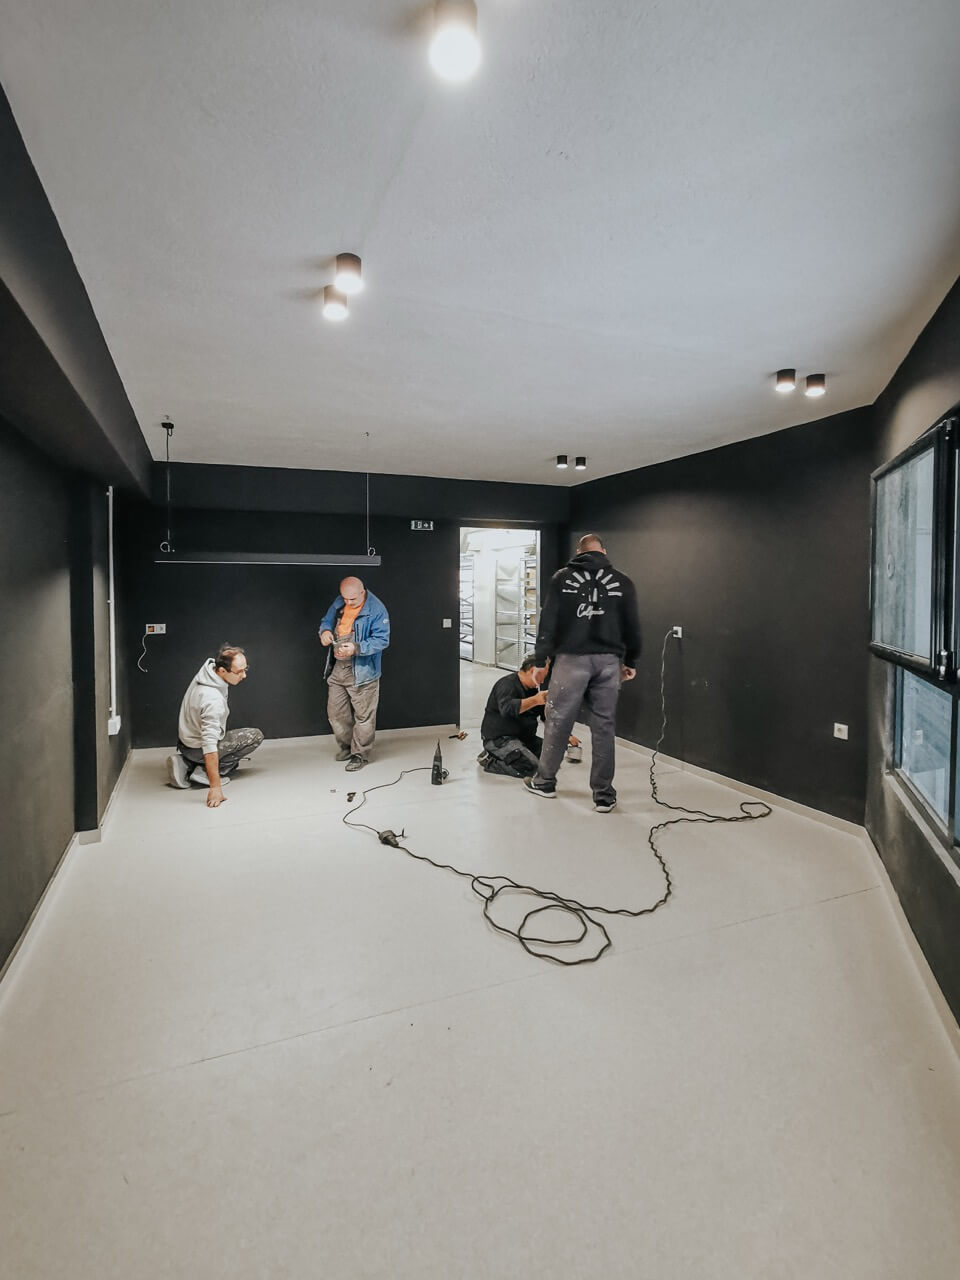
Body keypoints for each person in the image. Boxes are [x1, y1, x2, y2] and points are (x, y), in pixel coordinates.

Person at [523, 533, 640, 812]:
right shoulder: (623, 582)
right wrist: (630, 661)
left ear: (579, 552)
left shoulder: (561, 579)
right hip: (609, 662)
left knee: (558, 720)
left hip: (571, 659)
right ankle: (604, 796)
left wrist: (540, 660)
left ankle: (545, 782)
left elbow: (548, 621)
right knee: (604, 726)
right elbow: (632, 625)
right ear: (603, 552)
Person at [166, 645, 264, 808]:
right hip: (198, 748)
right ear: (223, 671)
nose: (244, 675)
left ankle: (186, 762)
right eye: (239, 672)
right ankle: (203, 771)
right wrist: (215, 787)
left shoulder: (208, 671)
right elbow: (209, 745)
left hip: (186, 743)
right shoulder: (212, 699)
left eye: (245, 669)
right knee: (254, 736)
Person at [319, 577, 390, 771]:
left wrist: (356, 648)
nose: (348, 602)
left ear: (362, 592)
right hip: (338, 668)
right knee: (336, 714)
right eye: (345, 598)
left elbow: (382, 640)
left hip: (363, 670)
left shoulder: (377, 610)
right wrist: (324, 631)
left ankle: (360, 754)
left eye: (352, 599)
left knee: (364, 716)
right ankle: (347, 747)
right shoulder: (340, 601)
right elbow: (327, 620)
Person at [478, 656, 583, 777]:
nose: (542, 682)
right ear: (533, 671)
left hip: (524, 738)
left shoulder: (532, 690)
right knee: (533, 768)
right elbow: (507, 709)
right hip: (500, 739)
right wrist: (535, 700)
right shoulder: (506, 685)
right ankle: (489, 760)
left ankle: (518, 755)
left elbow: (546, 715)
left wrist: (566, 735)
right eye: (541, 677)